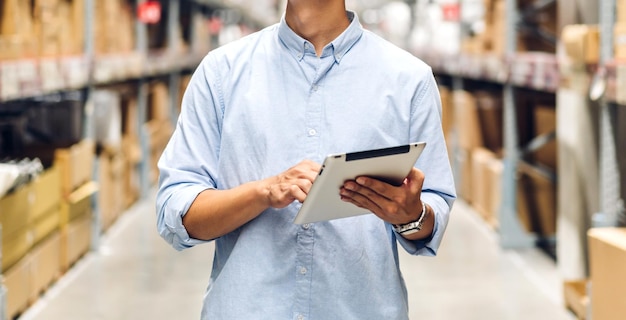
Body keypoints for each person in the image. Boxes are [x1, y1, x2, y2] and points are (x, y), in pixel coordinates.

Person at [156, 0, 456, 319]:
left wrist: (411, 215)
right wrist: (263, 193)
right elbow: (177, 211)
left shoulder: (409, 80)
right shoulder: (221, 73)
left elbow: (432, 211)